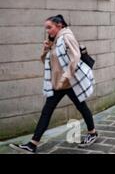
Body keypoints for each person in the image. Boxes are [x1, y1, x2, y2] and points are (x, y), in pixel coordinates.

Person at [10, 15, 97, 154]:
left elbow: (76, 56)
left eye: (49, 27)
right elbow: (47, 62)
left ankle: (92, 133)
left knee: (82, 107)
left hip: (70, 83)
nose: (47, 30)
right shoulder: (55, 41)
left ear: (60, 25)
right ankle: (32, 145)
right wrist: (46, 49)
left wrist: (66, 76)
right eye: (46, 28)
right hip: (58, 84)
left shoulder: (67, 36)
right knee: (46, 112)